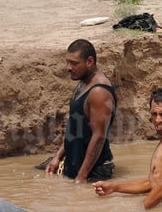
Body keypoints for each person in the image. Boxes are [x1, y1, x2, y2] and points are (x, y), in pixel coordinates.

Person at [93, 88, 162, 209]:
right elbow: (152, 182)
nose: (158, 120)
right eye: (154, 114)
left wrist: (140, 210)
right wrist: (115, 187)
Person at [45, 39, 117, 183]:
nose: (68, 68)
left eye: (74, 63)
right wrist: (58, 157)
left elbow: (98, 137)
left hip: (94, 171)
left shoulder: (99, 92)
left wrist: (82, 176)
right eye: (68, 62)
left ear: (90, 61)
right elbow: (75, 128)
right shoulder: (83, 82)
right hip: (75, 164)